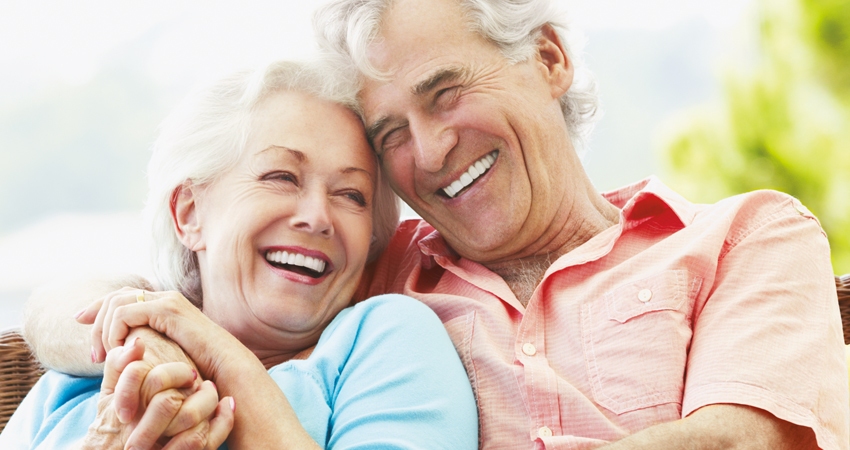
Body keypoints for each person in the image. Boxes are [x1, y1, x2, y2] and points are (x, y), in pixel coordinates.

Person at [17, 0, 850, 448]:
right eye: (391, 134)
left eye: (445, 93)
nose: (430, 150)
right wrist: (150, 338)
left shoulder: (745, 237)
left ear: (550, 60)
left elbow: (741, 444)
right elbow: (85, 300)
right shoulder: (376, 269)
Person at [0, 60, 478, 449]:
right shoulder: (80, 377)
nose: (318, 217)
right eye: (282, 177)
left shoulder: (386, 340)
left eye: (351, 195)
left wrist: (215, 364)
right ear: (189, 213)